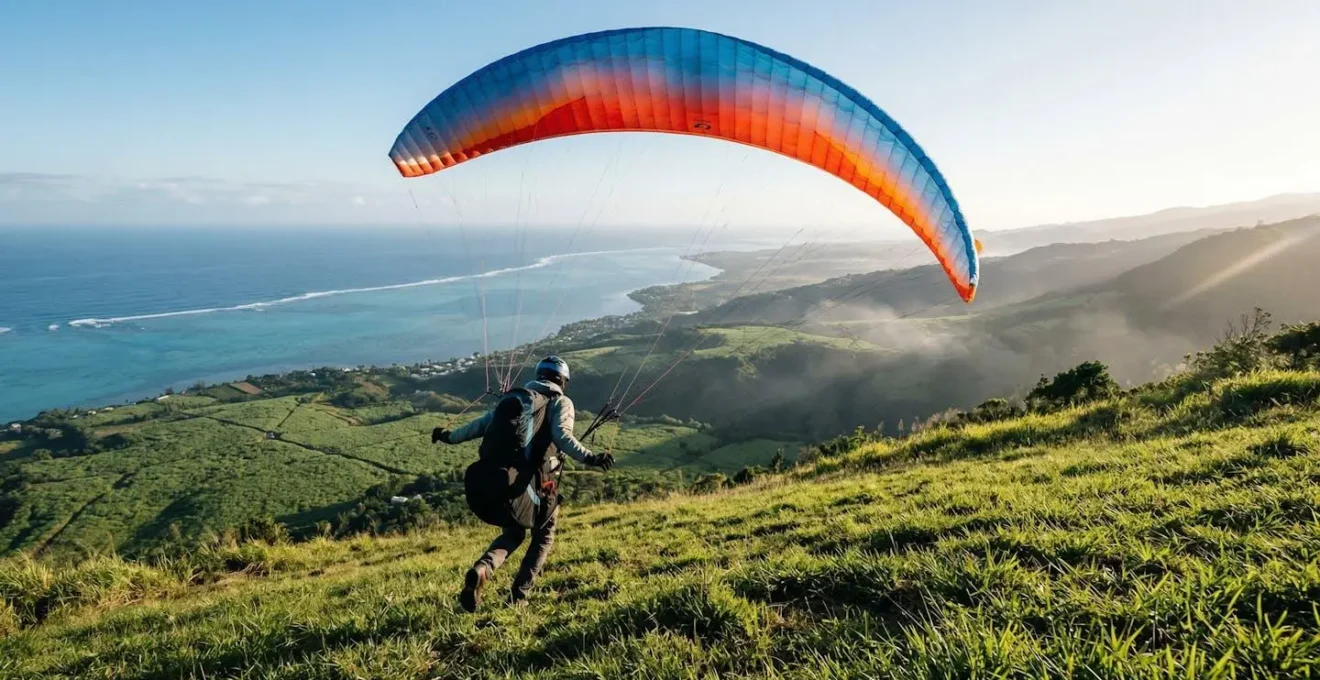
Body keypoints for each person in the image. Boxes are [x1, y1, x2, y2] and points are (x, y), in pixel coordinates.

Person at [432, 356, 615, 612]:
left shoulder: (513, 400)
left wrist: (447, 436)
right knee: (544, 534)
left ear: (539, 375)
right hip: (535, 485)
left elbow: (477, 427)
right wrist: (591, 457)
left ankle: (483, 569)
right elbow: (563, 436)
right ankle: (519, 596)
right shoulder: (560, 402)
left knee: (514, 532)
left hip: (501, 479)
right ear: (563, 381)